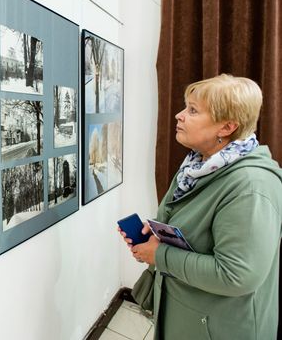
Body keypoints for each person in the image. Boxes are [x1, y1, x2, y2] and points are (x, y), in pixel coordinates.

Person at [120, 74, 282, 339]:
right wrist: (156, 234)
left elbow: (236, 275)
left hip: (220, 328)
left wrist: (160, 256)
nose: (179, 115)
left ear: (227, 127)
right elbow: (196, 229)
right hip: (189, 315)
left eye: (193, 110)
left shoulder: (251, 186)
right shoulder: (197, 166)